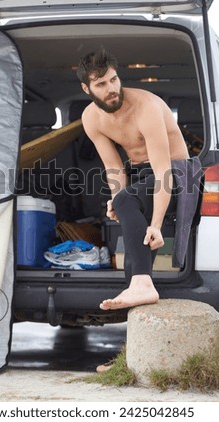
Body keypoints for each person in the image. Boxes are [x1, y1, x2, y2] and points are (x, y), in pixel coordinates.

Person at [77, 47, 189, 312]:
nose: (111, 88)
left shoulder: (146, 107)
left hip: (178, 173)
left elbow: (163, 172)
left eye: (114, 79)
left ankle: (142, 286)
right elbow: (114, 167)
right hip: (141, 175)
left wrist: (157, 225)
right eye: (101, 84)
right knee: (126, 218)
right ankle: (140, 293)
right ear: (87, 89)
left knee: (127, 200)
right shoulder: (91, 118)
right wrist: (116, 199)